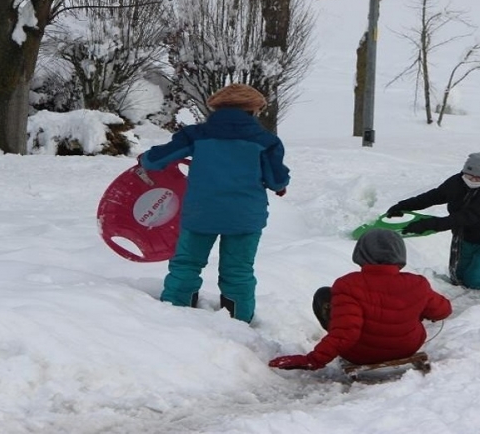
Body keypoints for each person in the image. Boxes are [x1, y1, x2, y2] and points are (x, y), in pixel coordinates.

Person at [139, 83, 290, 323]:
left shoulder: (197, 135)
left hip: (201, 214)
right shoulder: (266, 141)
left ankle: (176, 314)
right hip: (245, 217)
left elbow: (155, 160)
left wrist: (145, 159)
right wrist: (281, 185)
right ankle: (239, 321)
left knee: (186, 265)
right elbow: (276, 179)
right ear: (253, 111)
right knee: (238, 271)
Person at [268, 229, 452, 370]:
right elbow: (443, 311)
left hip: (361, 354)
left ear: (361, 253)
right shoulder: (417, 283)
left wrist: (312, 360)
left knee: (325, 295)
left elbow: (346, 333)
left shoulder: (348, 285)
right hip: (407, 348)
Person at [384, 152, 480, 290]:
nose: (473, 180)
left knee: (476, 281)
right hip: (467, 238)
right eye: (469, 176)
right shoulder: (456, 182)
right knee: (460, 277)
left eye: (479, 179)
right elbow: (433, 196)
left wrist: (429, 225)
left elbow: (464, 218)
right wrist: (402, 206)